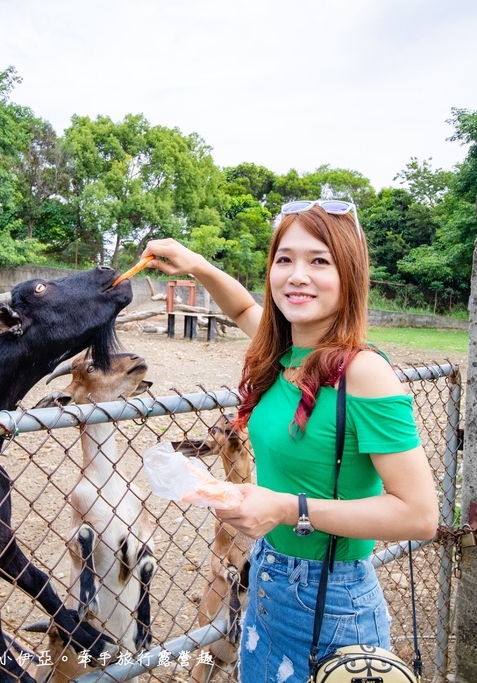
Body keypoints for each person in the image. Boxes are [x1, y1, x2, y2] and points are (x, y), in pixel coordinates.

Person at [142, 200, 439, 682]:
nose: (297, 275)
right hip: (267, 579)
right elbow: (239, 305)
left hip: (331, 600)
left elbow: (420, 516)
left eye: (319, 261)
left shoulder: (365, 374)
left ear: (349, 276)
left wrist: (285, 509)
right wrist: (194, 263)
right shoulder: (284, 349)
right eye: (285, 259)